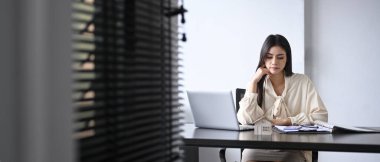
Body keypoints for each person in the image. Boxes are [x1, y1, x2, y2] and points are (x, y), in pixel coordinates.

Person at [237, 34, 328, 162]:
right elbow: (245, 120)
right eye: (269, 57)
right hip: (260, 147)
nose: (274, 62)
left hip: (294, 148)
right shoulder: (256, 83)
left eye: (280, 57)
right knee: (248, 156)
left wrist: (289, 121)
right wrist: (253, 83)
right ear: (263, 58)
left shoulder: (303, 82)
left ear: (287, 59)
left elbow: (321, 116)